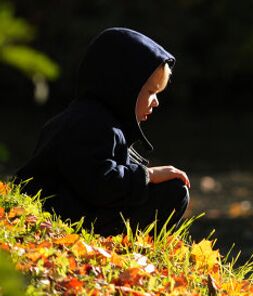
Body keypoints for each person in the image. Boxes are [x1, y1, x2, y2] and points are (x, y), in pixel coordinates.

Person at [16, 27, 191, 235]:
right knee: (173, 192)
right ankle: (125, 241)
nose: (156, 102)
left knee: (170, 188)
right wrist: (148, 175)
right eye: (151, 92)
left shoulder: (100, 119)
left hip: (78, 209)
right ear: (124, 87)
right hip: (62, 215)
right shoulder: (89, 123)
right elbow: (99, 184)